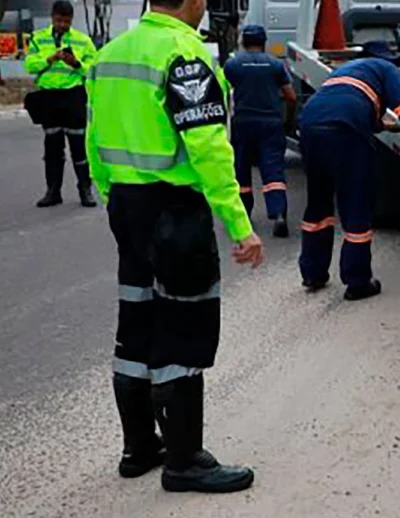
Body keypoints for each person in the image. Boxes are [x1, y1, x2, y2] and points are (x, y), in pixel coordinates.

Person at [85, 0, 264, 493]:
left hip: (128, 204)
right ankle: (184, 460)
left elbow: (93, 137)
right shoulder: (184, 53)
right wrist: (238, 222)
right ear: (189, 1)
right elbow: (207, 146)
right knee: (184, 327)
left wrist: (111, 197)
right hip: (174, 210)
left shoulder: (110, 54)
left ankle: (139, 447)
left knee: (137, 322)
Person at [297, 41, 400, 300]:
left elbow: (349, 102)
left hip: (310, 125)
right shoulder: (387, 70)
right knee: (356, 204)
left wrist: (380, 126)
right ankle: (357, 281)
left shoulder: (345, 70)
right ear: (392, 61)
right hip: (346, 131)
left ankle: (312, 272)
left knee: (318, 203)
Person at [223, 25, 297, 238]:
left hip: (243, 123)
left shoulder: (233, 64)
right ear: (264, 42)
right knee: (273, 169)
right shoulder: (275, 64)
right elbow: (291, 96)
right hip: (270, 123)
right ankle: (278, 213)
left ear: (243, 42)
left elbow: (220, 91)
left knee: (242, 167)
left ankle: (244, 214)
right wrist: (289, 120)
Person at [23, 0, 97, 208]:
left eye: (66, 21)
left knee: (79, 148)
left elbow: (93, 70)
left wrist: (76, 63)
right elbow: (29, 65)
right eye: (59, 20)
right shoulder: (39, 38)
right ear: (52, 17)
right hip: (49, 98)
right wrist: (50, 59)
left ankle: (85, 191)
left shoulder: (82, 41)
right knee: (52, 148)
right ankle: (53, 192)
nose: (63, 24)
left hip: (73, 97)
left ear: (72, 20)